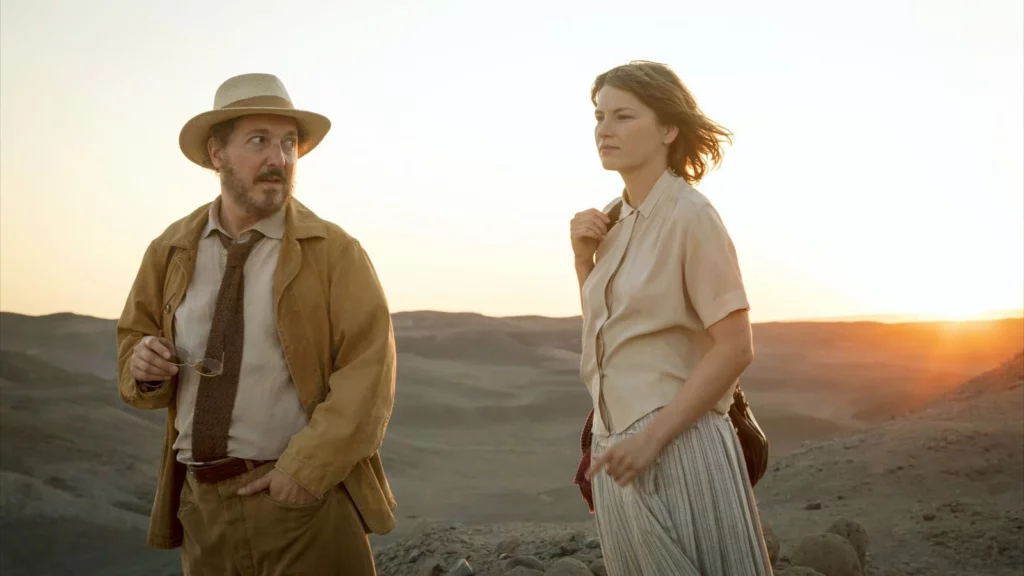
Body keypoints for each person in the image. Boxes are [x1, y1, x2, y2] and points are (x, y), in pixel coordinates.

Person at [115, 72, 397, 575]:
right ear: (217, 154)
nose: (279, 159)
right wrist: (144, 368)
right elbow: (134, 350)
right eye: (259, 141)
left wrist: (303, 473)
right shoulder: (170, 250)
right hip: (202, 511)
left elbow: (369, 374)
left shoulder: (334, 252)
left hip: (302, 506)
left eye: (288, 143)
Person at [569, 61, 774, 575]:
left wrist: (651, 440)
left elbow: (736, 347)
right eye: (599, 117)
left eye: (623, 116)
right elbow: (608, 337)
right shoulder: (611, 221)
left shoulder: (691, 215)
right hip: (615, 452)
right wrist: (583, 262)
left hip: (676, 444)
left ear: (668, 129)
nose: (604, 130)